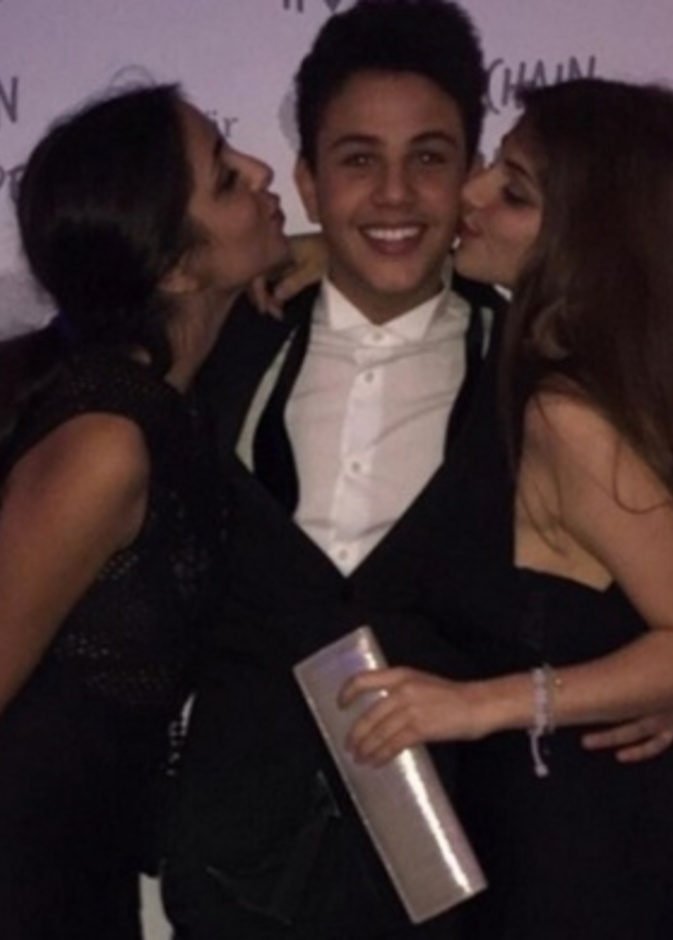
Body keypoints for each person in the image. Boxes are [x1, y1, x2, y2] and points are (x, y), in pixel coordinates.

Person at [162, 2, 500, 939]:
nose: (393, 194)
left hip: (466, 889)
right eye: (357, 160)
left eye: (428, 158)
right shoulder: (219, 348)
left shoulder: (534, 371)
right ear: (308, 181)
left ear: (469, 176)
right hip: (226, 879)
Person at [341, 77, 673, 938]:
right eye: (493, 164)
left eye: (514, 192)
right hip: (534, 841)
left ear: (588, 242)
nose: (472, 191)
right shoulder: (536, 369)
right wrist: (308, 254)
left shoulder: (568, 417)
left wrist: (478, 704)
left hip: (585, 863)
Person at [0, 82, 289, 939]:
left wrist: (306, 252)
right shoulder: (106, 444)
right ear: (175, 268)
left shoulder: (165, 397)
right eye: (226, 176)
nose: (261, 168)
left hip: (80, 869)